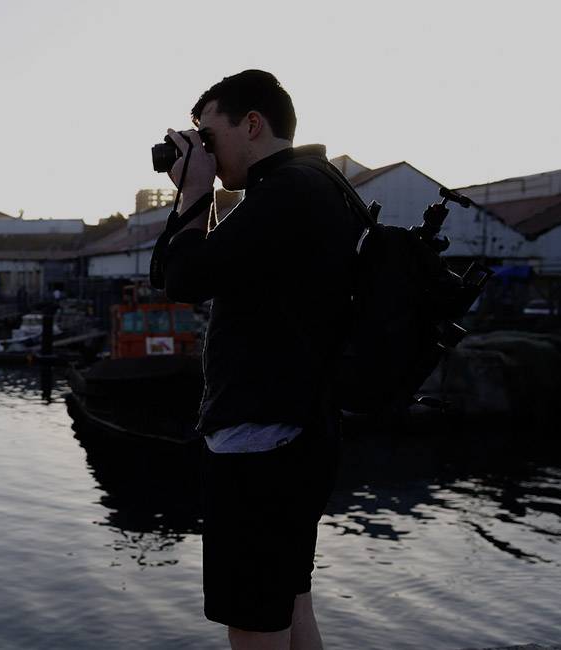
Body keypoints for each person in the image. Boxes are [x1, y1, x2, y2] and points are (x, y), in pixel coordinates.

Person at [155, 70, 360, 650]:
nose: (206, 153)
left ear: (251, 123)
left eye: (208, 136)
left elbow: (187, 278)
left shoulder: (290, 191)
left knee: (253, 620)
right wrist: (196, 195)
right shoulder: (314, 185)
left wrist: (196, 194)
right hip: (300, 431)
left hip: (260, 438)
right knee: (291, 604)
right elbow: (190, 266)